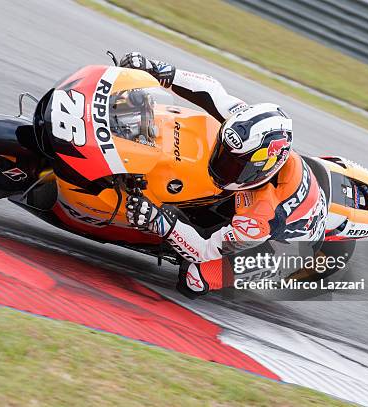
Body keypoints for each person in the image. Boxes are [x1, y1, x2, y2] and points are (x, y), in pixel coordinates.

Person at [120, 52, 327, 298]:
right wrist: (158, 70)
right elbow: (211, 91)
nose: (223, 166)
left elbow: (203, 250)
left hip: (283, 247)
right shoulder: (247, 128)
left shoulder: (262, 212)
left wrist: (159, 221)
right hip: (287, 193)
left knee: (195, 279)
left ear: (261, 169)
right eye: (224, 155)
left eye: (234, 165)